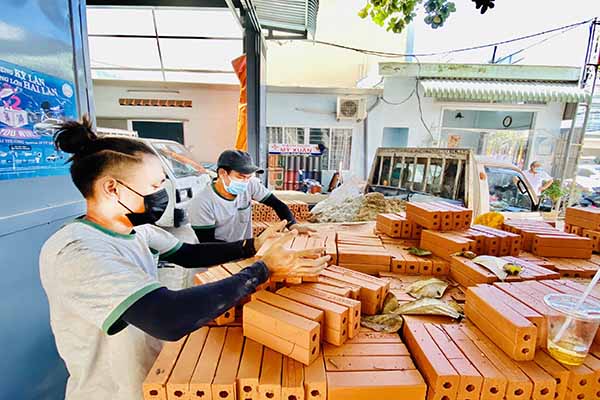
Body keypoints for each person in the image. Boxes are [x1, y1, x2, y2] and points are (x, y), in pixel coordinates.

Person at [39, 117, 329, 400]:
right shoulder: (78, 251)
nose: (161, 195)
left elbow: (188, 253)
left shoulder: (137, 231)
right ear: (112, 188)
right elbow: (167, 316)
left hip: (148, 377)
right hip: (111, 391)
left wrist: (254, 245)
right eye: (154, 187)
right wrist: (262, 270)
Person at [189, 149, 314, 243]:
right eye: (241, 176)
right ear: (222, 173)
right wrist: (251, 245)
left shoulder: (250, 184)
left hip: (242, 252)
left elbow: (277, 204)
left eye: (249, 177)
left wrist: (293, 225)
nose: (245, 182)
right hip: (213, 259)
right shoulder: (202, 203)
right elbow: (208, 243)